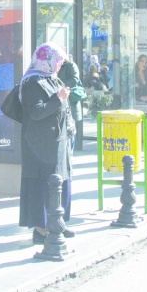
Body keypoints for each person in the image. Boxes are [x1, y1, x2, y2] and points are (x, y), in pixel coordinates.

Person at [18, 43, 75, 243]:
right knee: (43, 186)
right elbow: (36, 111)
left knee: (59, 183)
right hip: (40, 145)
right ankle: (41, 229)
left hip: (56, 143)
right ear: (47, 60)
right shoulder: (33, 81)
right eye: (58, 61)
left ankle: (57, 223)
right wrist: (58, 99)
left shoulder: (50, 78)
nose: (59, 66)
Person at [57, 57, 88, 152]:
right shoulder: (55, 66)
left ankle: (70, 154)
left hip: (70, 102)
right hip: (60, 102)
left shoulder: (71, 66)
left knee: (70, 129)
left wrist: (59, 86)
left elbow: (74, 80)